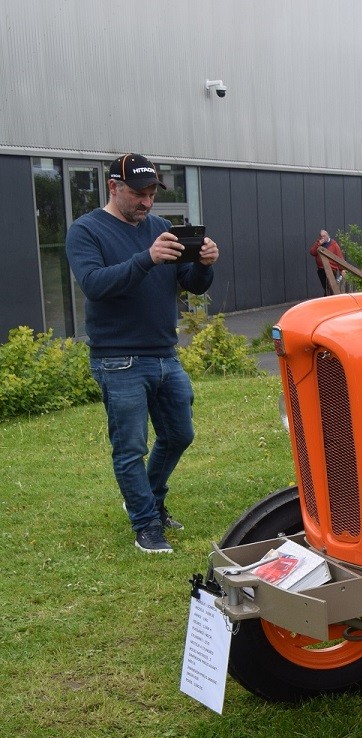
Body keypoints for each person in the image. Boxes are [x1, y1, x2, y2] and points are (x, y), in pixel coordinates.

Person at [65, 153, 220, 554]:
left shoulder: (159, 228)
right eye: (138, 194)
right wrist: (147, 257)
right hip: (117, 359)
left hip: (165, 354)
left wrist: (204, 265)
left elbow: (190, 284)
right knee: (131, 447)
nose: (147, 203)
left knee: (179, 434)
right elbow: (96, 284)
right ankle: (147, 524)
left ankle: (147, 498)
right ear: (114, 187)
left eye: (151, 194)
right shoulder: (86, 231)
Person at [310, 229, 344, 295]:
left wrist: (342, 269)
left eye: (324, 236)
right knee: (326, 288)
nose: (322, 238)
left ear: (327, 235)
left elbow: (340, 257)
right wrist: (318, 244)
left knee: (330, 288)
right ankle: (328, 300)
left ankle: (328, 301)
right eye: (321, 236)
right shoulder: (318, 243)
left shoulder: (334, 245)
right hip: (321, 269)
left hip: (331, 269)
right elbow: (312, 252)